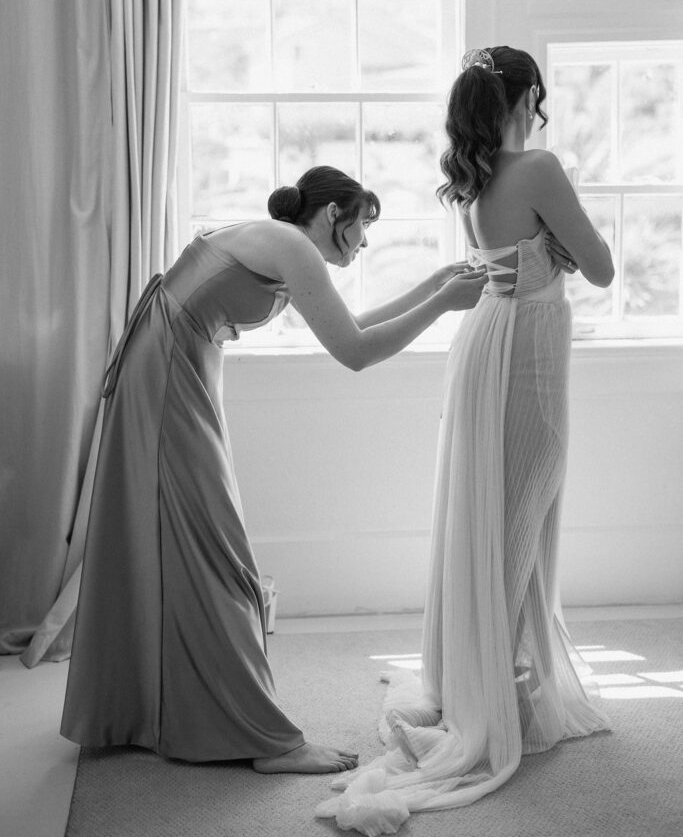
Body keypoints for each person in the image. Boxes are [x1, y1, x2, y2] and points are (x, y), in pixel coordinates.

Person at [60, 165, 486, 775]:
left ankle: (163, 709)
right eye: (362, 225)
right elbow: (357, 353)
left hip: (172, 367)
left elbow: (353, 325)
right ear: (332, 216)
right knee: (212, 546)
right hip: (166, 378)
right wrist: (445, 303)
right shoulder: (289, 243)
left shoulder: (282, 245)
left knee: (189, 542)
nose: (364, 243)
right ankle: (265, 739)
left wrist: (435, 284)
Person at [317, 48, 614, 833]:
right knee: (520, 508)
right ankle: (499, 695)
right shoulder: (538, 167)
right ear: (528, 98)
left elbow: (536, 260)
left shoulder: (478, 177)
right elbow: (604, 267)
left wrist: (549, 254)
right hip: (526, 354)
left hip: (488, 342)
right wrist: (560, 252)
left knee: (492, 510)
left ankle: (487, 679)